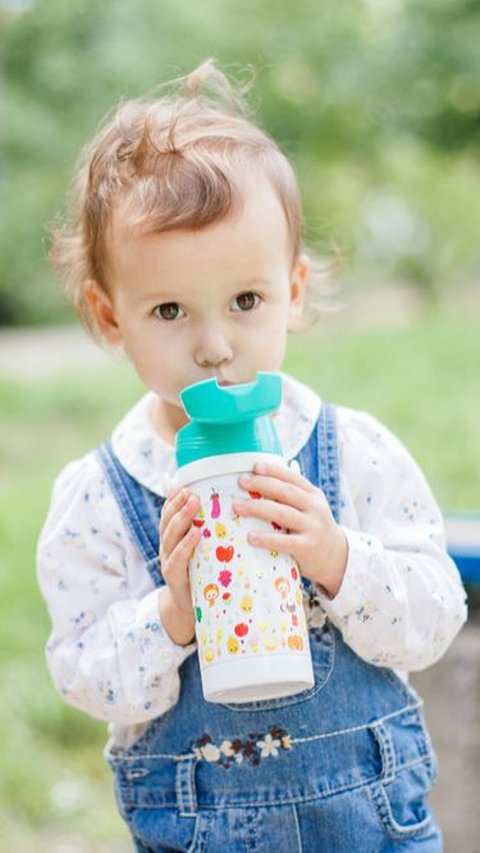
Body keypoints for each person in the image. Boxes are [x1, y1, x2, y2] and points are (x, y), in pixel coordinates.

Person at [37, 59, 467, 852]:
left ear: (294, 289)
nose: (215, 346)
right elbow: (83, 675)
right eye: (169, 309)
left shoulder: (353, 452)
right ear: (108, 315)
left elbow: (437, 614)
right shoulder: (100, 494)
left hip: (375, 828)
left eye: (247, 300)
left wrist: (339, 559)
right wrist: (168, 616)